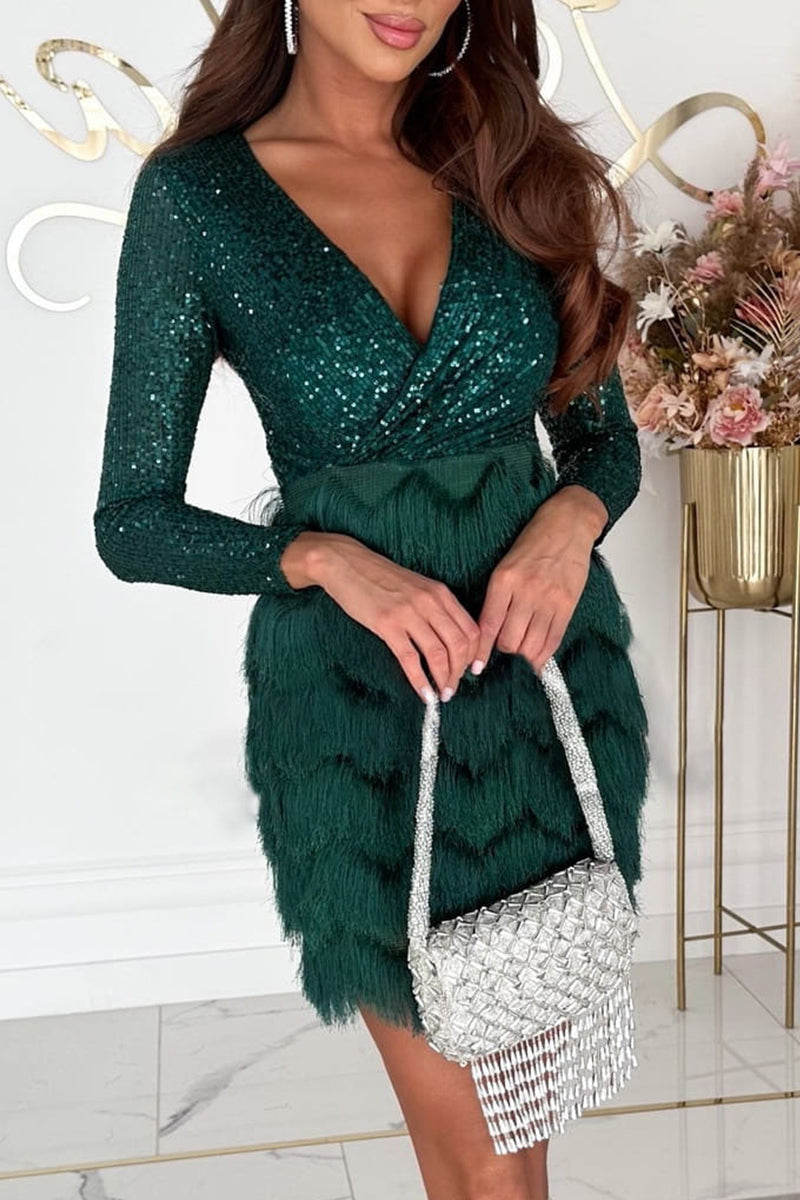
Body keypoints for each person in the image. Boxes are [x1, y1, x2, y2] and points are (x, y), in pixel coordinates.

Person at [93, 1, 650, 1196]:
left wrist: (566, 524)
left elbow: (602, 441)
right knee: (483, 1162)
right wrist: (321, 558)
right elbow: (131, 518)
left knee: (507, 1158)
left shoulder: (509, 163)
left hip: (542, 686)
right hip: (362, 714)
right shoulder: (199, 199)